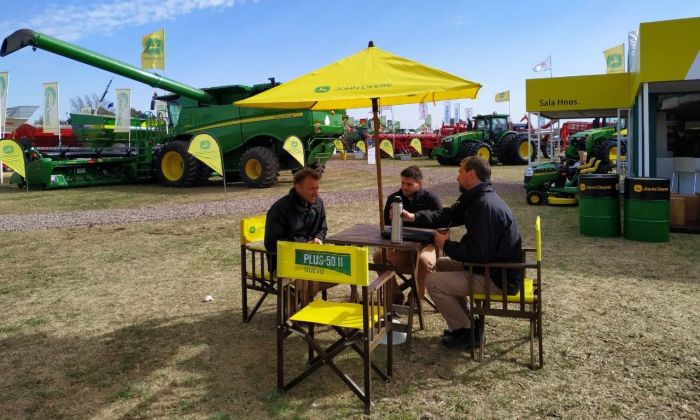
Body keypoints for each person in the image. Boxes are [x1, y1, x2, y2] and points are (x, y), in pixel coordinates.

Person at [401, 156, 522, 350]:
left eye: (460, 172)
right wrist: (414, 217)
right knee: (440, 265)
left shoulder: (485, 206)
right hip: (490, 267)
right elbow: (447, 215)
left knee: (433, 282)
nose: (457, 177)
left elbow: (478, 253)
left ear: (471, 174)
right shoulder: (476, 197)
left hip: (498, 277)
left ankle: (466, 332)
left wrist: (446, 244)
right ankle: (469, 322)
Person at [372, 165, 442, 303]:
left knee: (424, 261)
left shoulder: (431, 199)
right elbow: (385, 227)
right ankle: (394, 296)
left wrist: (415, 216)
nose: (404, 187)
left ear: (419, 184)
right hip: (403, 247)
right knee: (379, 255)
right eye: (403, 183)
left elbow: (442, 223)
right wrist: (391, 221)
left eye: (409, 184)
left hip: (427, 245)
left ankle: (415, 299)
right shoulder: (394, 199)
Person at [264, 168, 329, 297]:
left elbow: (322, 228)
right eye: (312, 189)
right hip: (284, 261)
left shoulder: (318, 203)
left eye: (317, 188)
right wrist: (303, 246)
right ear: (298, 188)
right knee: (307, 281)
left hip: (312, 258)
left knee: (341, 274)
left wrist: (318, 239)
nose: (316, 193)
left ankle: (300, 303)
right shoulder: (279, 209)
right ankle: (296, 311)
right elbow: (271, 243)